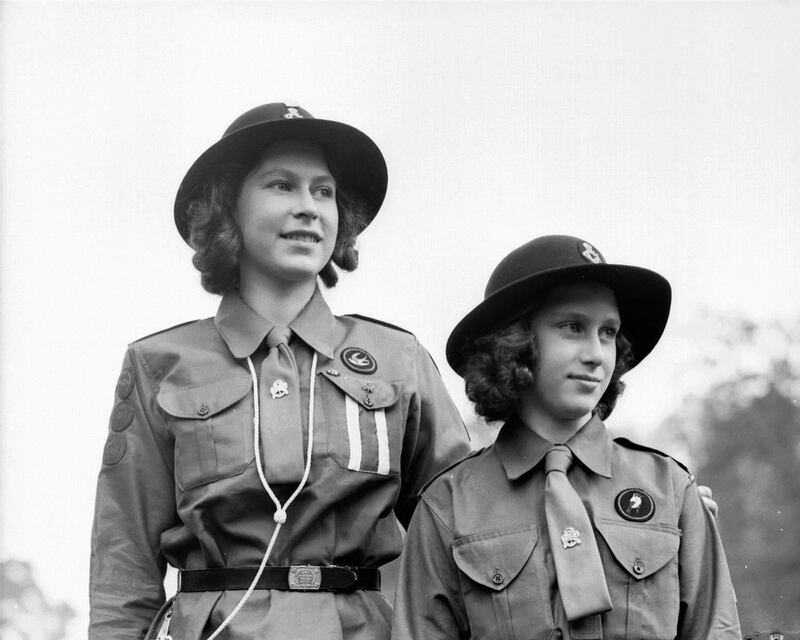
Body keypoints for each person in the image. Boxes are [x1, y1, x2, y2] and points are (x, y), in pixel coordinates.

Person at [89, 102, 471, 640]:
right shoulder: (160, 364)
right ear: (227, 209)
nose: (309, 208)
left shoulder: (398, 358)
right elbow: (123, 562)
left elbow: (465, 530)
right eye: (281, 185)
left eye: (323, 191)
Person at [392, 235, 741, 640]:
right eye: (573, 327)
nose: (596, 353)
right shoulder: (448, 505)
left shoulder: (671, 489)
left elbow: (716, 630)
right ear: (514, 343)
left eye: (608, 332)